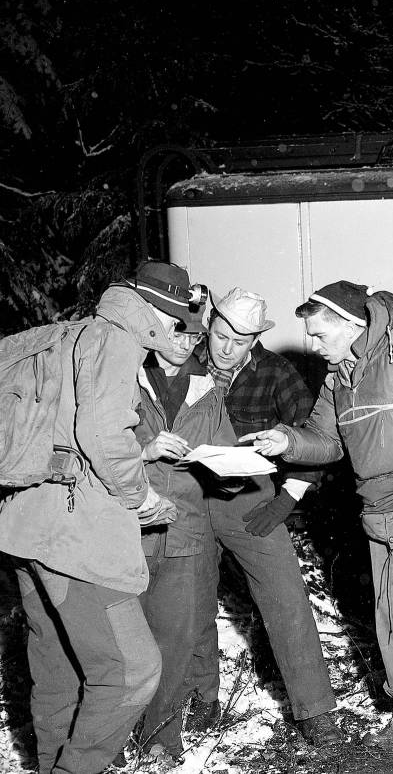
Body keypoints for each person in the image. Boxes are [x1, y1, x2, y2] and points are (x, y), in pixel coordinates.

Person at [243, 280, 393, 774]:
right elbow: (325, 441)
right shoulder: (340, 377)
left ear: (350, 322)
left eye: (317, 333)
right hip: (379, 509)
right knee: (392, 613)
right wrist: (284, 440)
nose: (312, 344)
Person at [0, 261, 204, 774]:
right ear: (157, 311)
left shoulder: (71, 335)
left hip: (26, 521)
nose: (179, 331)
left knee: (60, 668)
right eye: (178, 318)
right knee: (133, 669)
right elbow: (103, 434)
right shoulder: (116, 341)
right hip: (74, 536)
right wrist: (140, 498)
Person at [182, 287, 342, 746]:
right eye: (219, 336)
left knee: (286, 598)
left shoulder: (277, 373)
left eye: (239, 341)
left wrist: (288, 497)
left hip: (252, 501)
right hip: (189, 498)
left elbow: (315, 436)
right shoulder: (184, 366)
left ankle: (315, 710)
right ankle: (201, 699)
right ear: (209, 326)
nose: (226, 349)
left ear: (255, 338)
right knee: (190, 601)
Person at [132, 286, 241, 760]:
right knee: (119, 644)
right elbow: (90, 455)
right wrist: (145, 452)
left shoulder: (208, 393)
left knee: (173, 642)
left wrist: (232, 467)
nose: (187, 339)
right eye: (178, 327)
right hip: (126, 533)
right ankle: (109, 734)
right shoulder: (121, 381)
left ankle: (160, 737)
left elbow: (232, 473)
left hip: (184, 533)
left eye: (194, 333)